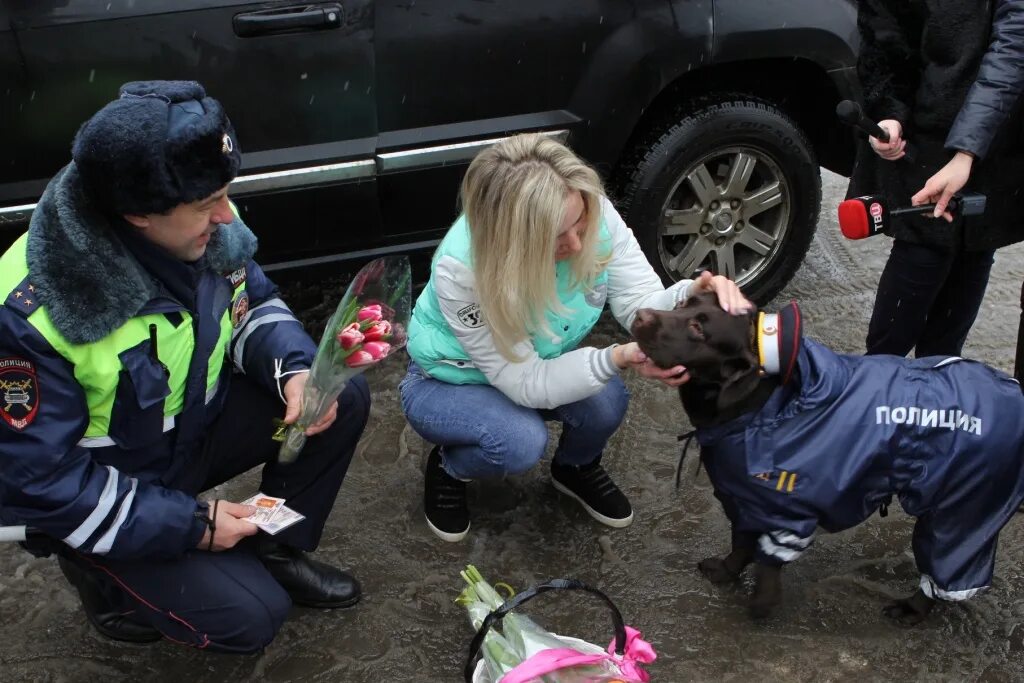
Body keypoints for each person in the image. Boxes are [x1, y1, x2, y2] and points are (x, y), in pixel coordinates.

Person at [0, 81, 370, 653]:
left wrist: (294, 371)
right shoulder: (29, 314)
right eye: (207, 205)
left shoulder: (201, 216)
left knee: (338, 397)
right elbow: (44, 482)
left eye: (226, 194)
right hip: (106, 485)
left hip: (189, 435)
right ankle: (96, 571)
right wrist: (196, 526)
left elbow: (254, 304)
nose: (227, 215)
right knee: (251, 619)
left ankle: (275, 546)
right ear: (137, 214)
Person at [399, 133, 750, 542]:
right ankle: (449, 467)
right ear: (511, 238)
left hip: (535, 362)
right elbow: (525, 381)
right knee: (518, 441)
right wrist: (615, 357)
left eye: (580, 222)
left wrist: (693, 295)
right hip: (448, 379)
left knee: (607, 401)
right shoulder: (463, 271)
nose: (578, 242)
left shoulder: (590, 210)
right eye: (556, 236)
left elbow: (640, 301)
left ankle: (575, 467)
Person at [849, 0, 1024, 358]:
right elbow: (885, 42)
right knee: (920, 257)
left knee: (973, 257)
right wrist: (889, 113)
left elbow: (1012, 50)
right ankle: (879, 392)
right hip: (927, 144)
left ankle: (938, 388)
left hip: (996, 142)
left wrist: (968, 153)